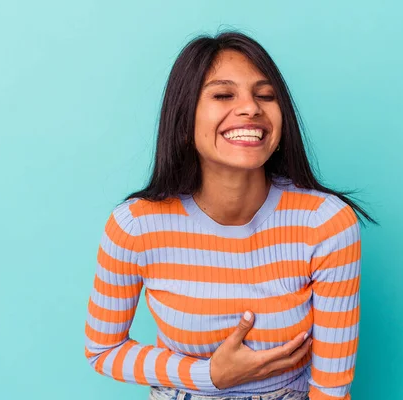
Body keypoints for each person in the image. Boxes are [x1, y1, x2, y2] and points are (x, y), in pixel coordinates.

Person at [84, 30, 377, 400]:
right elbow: (103, 349)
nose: (251, 108)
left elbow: (331, 389)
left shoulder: (327, 223)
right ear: (184, 116)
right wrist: (210, 375)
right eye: (223, 95)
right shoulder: (134, 227)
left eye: (266, 96)